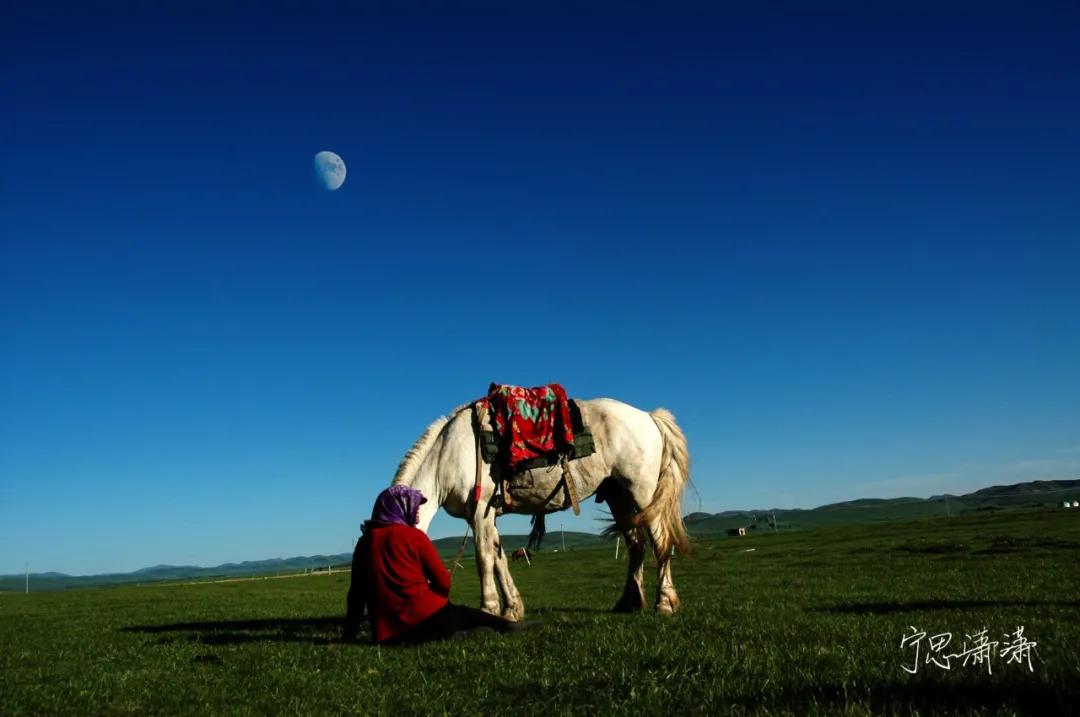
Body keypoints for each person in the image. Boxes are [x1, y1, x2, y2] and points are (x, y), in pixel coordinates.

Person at [344, 485, 533, 644]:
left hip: (388, 636)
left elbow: (356, 596)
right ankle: (506, 626)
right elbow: (443, 582)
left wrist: (349, 635)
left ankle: (469, 632)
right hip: (428, 617)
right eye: (414, 506)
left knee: (457, 619)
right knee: (468, 616)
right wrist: (437, 594)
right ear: (401, 508)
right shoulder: (414, 537)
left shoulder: (363, 544)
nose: (417, 512)